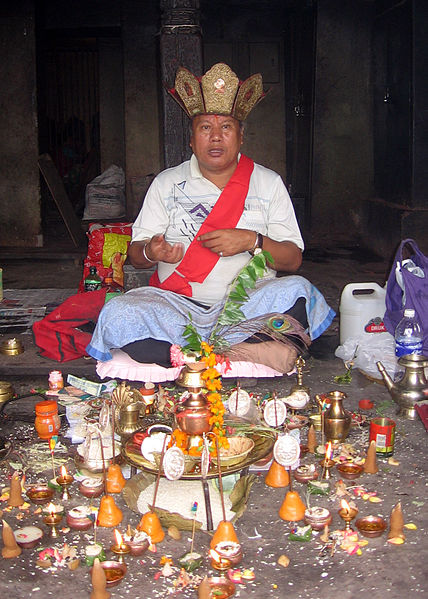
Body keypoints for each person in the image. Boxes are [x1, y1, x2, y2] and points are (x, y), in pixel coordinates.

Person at [86, 63, 334, 367]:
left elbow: (292, 260)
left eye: (226, 128)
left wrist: (251, 240)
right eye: (205, 128)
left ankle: (188, 358)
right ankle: (235, 355)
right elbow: (135, 256)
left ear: (241, 137)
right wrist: (152, 251)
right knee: (118, 313)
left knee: (299, 292)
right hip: (177, 305)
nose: (215, 137)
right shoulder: (167, 183)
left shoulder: (268, 182)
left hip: (249, 304)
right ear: (191, 140)